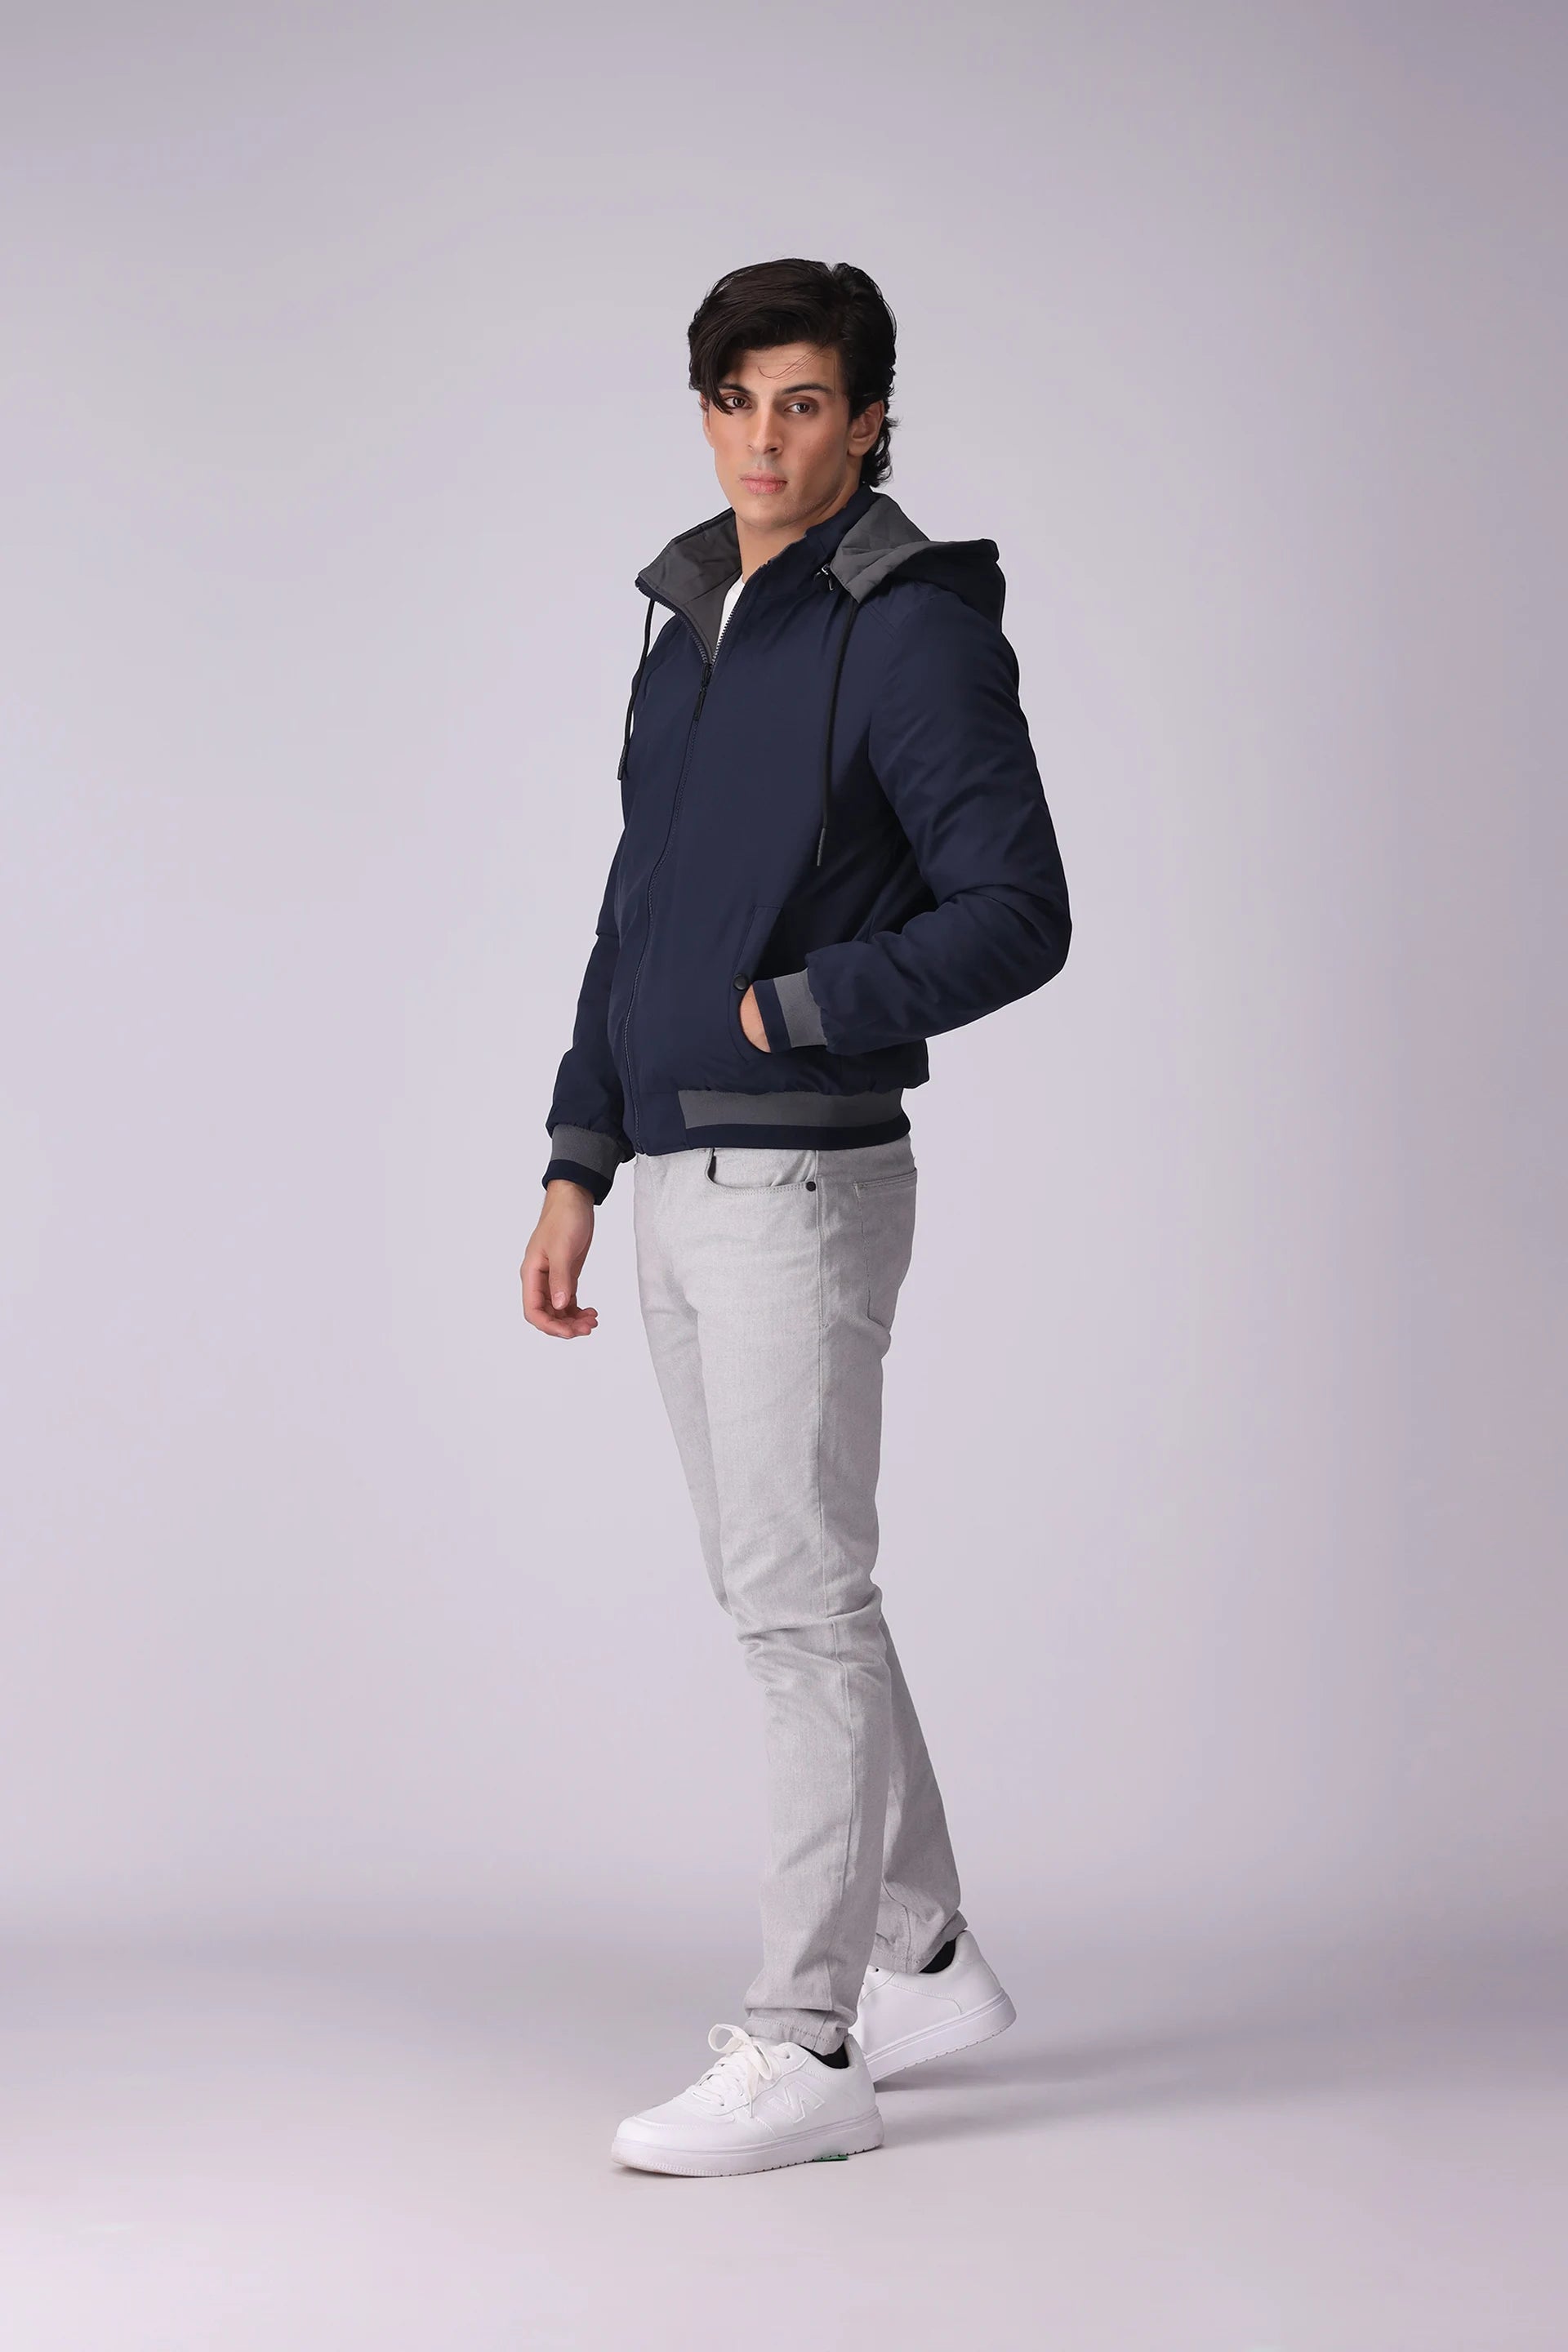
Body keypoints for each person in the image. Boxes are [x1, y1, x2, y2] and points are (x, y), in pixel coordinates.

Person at [520, 257, 1071, 2177]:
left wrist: (806, 1007)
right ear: (706, 414)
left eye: (807, 403)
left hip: (801, 1172)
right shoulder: (690, 623)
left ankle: (807, 2037)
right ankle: (914, 1944)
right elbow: (633, 912)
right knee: (790, 1590)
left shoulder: (909, 633)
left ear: (870, 420)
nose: (767, 437)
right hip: (678, 1171)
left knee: (799, 1608)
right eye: (739, 400)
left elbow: (1019, 911)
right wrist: (578, 1154)